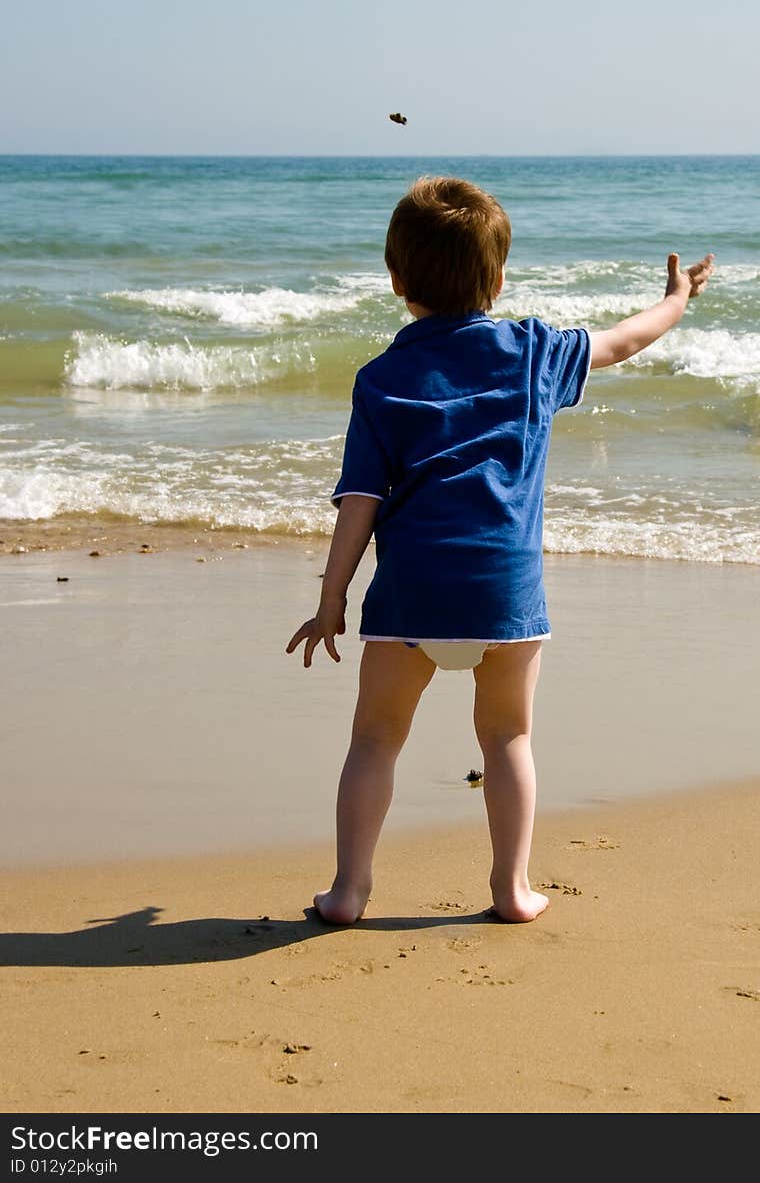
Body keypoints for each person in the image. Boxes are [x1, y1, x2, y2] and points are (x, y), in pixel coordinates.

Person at [286, 176, 714, 924]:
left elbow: (361, 501)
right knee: (509, 736)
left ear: (395, 279)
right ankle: (511, 891)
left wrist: (332, 598)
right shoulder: (533, 353)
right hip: (503, 596)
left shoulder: (382, 380)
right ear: (500, 278)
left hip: (410, 599)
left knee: (375, 740)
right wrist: (677, 299)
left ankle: (350, 890)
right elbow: (624, 339)